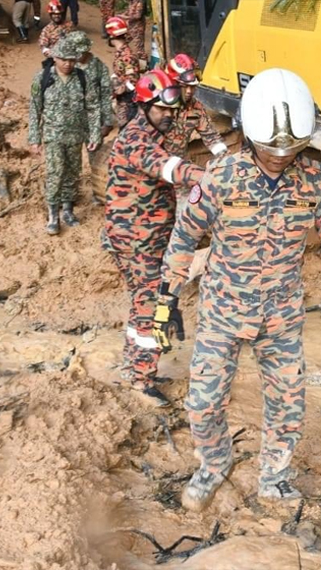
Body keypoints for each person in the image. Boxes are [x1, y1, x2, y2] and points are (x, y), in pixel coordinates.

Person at [155, 68, 321, 512]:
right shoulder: (220, 177)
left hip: (281, 316)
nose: (280, 156)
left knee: (288, 404)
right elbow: (184, 238)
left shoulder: (314, 182)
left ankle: (274, 477)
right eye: (271, 148)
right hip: (222, 313)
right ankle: (215, 464)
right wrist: (167, 299)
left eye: (291, 148)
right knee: (202, 404)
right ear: (249, 134)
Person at [102, 70, 205, 407]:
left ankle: (134, 367)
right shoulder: (136, 139)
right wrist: (212, 177)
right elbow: (168, 168)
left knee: (141, 304)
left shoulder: (151, 134)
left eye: (171, 110)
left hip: (145, 238)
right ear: (144, 106)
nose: (168, 115)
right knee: (150, 306)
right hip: (137, 243)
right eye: (161, 109)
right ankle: (140, 379)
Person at [28, 35, 102, 235]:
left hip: (75, 135)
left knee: (72, 172)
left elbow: (93, 108)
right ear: (55, 58)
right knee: (55, 173)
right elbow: (34, 109)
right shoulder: (43, 78)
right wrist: (34, 139)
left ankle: (68, 210)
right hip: (53, 136)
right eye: (63, 59)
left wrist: (94, 135)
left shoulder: (83, 78)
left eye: (71, 60)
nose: (68, 64)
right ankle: (53, 215)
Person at [163, 54, 228, 159]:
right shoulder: (157, 109)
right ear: (172, 83)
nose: (189, 91)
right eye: (184, 86)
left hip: (180, 164)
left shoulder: (195, 108)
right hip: (155, 164)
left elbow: (211, 136)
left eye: (192, 87)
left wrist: (225, 158)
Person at [68, 31, 114, 140]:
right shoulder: (68, 66)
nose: (76, 56)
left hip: (94, 119)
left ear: (87, 49)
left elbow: (106, 95)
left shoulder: (99, 67)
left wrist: (107, 122)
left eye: (79, 52)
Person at [106, 16, 140, 129]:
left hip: (128, 101)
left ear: (112, 36)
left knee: (126, 129)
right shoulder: (120, 53)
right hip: (123, 100)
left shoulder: (127, 56)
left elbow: (133, 81)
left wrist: (117, 90)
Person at [118, 0, 145, 70]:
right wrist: (121, 15)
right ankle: (125, 62)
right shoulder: (132, 2)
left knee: (139, 50)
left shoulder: (139, 2)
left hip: (138, 28)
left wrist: (125, 17)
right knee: (123, 43)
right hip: (130, 28)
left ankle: (143, 68)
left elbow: (138, 16)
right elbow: (128, 11)